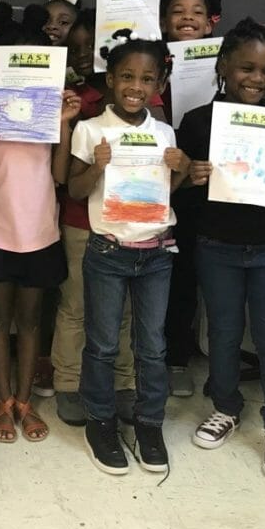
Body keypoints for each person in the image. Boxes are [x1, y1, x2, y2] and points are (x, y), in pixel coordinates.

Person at [177, 17, 265, 480]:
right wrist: (191, 176)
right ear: (224, 67)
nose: (256, 78)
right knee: (224, 335)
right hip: (217, 247)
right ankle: (226, 407)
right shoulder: (196, 123)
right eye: (245, 68)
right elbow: (180, 188)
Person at [69, 35, 190, 473]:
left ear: (158, 83)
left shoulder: (164, 132)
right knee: (101, 345)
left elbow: (164, 193)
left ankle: (148, 422)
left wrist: (180, 172)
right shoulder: (89, 129)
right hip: (108, 250)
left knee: (153, 347)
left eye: (146, 78)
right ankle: (100, 421)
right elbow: (75, 189)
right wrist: (97, 165)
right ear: (110, 79)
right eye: (127, 76)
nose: (136, 85)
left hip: (157, 252)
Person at [0, 3, 80, 444]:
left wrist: (66, 124)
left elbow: (58, 176)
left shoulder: (51, 114)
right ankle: (2, 399)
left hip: (38, 231)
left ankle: (24, 400)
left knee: (31, 321)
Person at [53, 10, 137, 425]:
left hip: (125, 222)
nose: (85, 55)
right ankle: (68, 382)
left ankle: (123, 382)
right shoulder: (70, 98)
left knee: (120, 310)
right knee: (75, 305)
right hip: (81, 220)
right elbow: (67, 174)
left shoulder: (142, 100)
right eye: (75, 48)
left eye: (92, 47)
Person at [159, 0, 222, 397]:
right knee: (172, 276)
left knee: (200, 275)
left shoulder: (229, 70)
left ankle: (183, 356)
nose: (187, 18)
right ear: (164, 21)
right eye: (178, 11)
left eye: (197, 12)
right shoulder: (151, 67)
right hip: (161, 185)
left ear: (210, 22)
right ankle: (165, 357)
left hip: (210, 190)